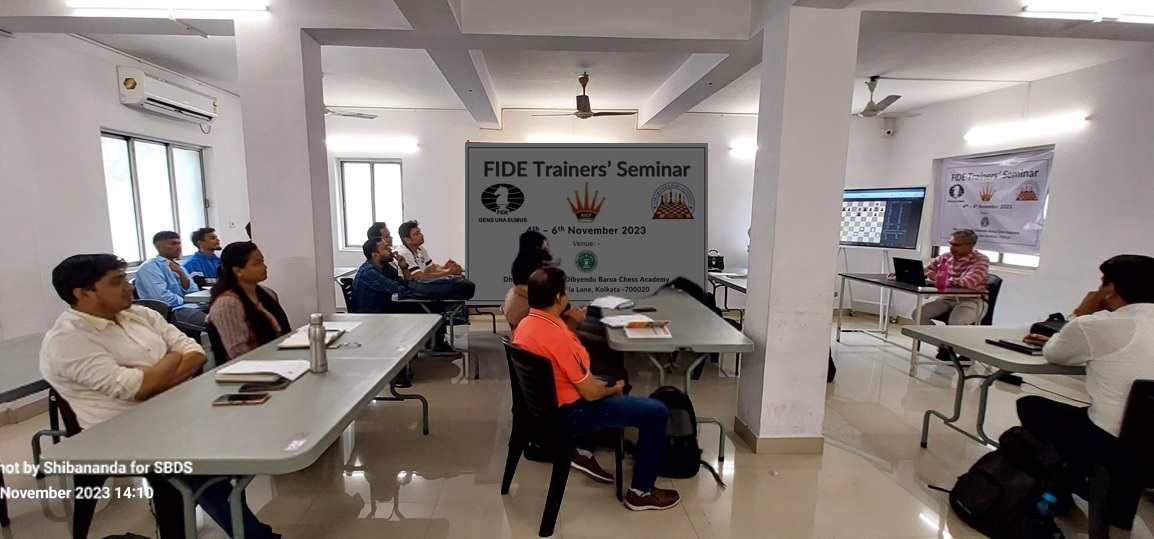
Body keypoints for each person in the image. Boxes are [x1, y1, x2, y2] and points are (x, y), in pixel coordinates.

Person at [40, 254, 279, 538]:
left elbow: (195, 353)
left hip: (175, 413)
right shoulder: (69, 339)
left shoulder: (141, 315)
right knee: (198, 465)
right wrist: (171, 359)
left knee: (250, 423)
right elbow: (139, 388)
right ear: (82, 293)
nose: (129, 287)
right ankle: (255, 536)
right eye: (116, 282)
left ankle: (247, 530)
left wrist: (155, 374)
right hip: (122, 433)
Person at [513, 266, 679, 511]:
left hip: (545, 407)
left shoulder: (527, 324)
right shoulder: (560, 338)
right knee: (656, 411)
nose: (568, 294)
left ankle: (584, 451)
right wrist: (613, 390)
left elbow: (560, 359)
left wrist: (606, 384)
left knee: (608, 378)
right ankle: (641, 492)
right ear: (559, 298)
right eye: (567, 290)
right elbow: (590, 393)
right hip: (570, 412)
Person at [1016, 254, 1154, 530]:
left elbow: (1054, 354)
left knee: (1032, 406)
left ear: (1109, 288)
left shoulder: (1096, 324)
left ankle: (1069, 479)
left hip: (1117, 445)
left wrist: (1079, 315)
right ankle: (1116, 501)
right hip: (1148, 436)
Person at [353, 237, 458, 385]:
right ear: (375, 255)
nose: (390, 249)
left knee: (428, 310)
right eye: (385, 248)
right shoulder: (369, 271)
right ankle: (396, 372)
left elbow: (406, 283)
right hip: (373, 315)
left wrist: (403, 267)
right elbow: (396, 288)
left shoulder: (385, 267)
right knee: (417, 314)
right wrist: (413, 288)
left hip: (386, 308)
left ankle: (431, 346)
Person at [208, 242, 290, 362]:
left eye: (263, 261)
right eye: (257, 263)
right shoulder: (228, 304)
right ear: (238, 271)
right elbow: (238, 352)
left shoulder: (268, 293)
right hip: (252, 365)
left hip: (279, 358)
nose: (264, 267)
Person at [503, 230, 582, 330]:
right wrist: (572, 317)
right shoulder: (539, 286)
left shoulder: (520, 270)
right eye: (544, 247)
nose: (547, 248)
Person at [917, 229, 990, 327]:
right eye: (950, 244)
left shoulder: (981, 260)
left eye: (956, 245)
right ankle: (938, 336)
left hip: (971, 300)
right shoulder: (946, 257)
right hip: (947, 298)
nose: (951, 248)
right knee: (918, 314)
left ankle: (946, 337)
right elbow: (927, 269)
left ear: (971, 245)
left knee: (956, 322)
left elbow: (968, 282)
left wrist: (939, 278)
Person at [135, 231, 207, 331]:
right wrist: (184, 299)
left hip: (191, 305)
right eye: (173, 244)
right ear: (159, 246)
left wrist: (181, 273)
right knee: (213, 323)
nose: (179, 247)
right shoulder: (149, 267)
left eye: (179, 243)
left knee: (221, 312)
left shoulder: (179, 267)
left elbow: (193, 291)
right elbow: (161, 297)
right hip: (171, 310)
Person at [397, 220, 463, 279]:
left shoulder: (420, 248)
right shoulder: (404, 253)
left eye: (420, 232)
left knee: (460, 279)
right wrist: (448, 272)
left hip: (421, 283)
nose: (421, 235)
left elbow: (433, 269)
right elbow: (419, 277)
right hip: (411, 286)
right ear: (407, 240)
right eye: (417, 234)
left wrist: (446, 269)